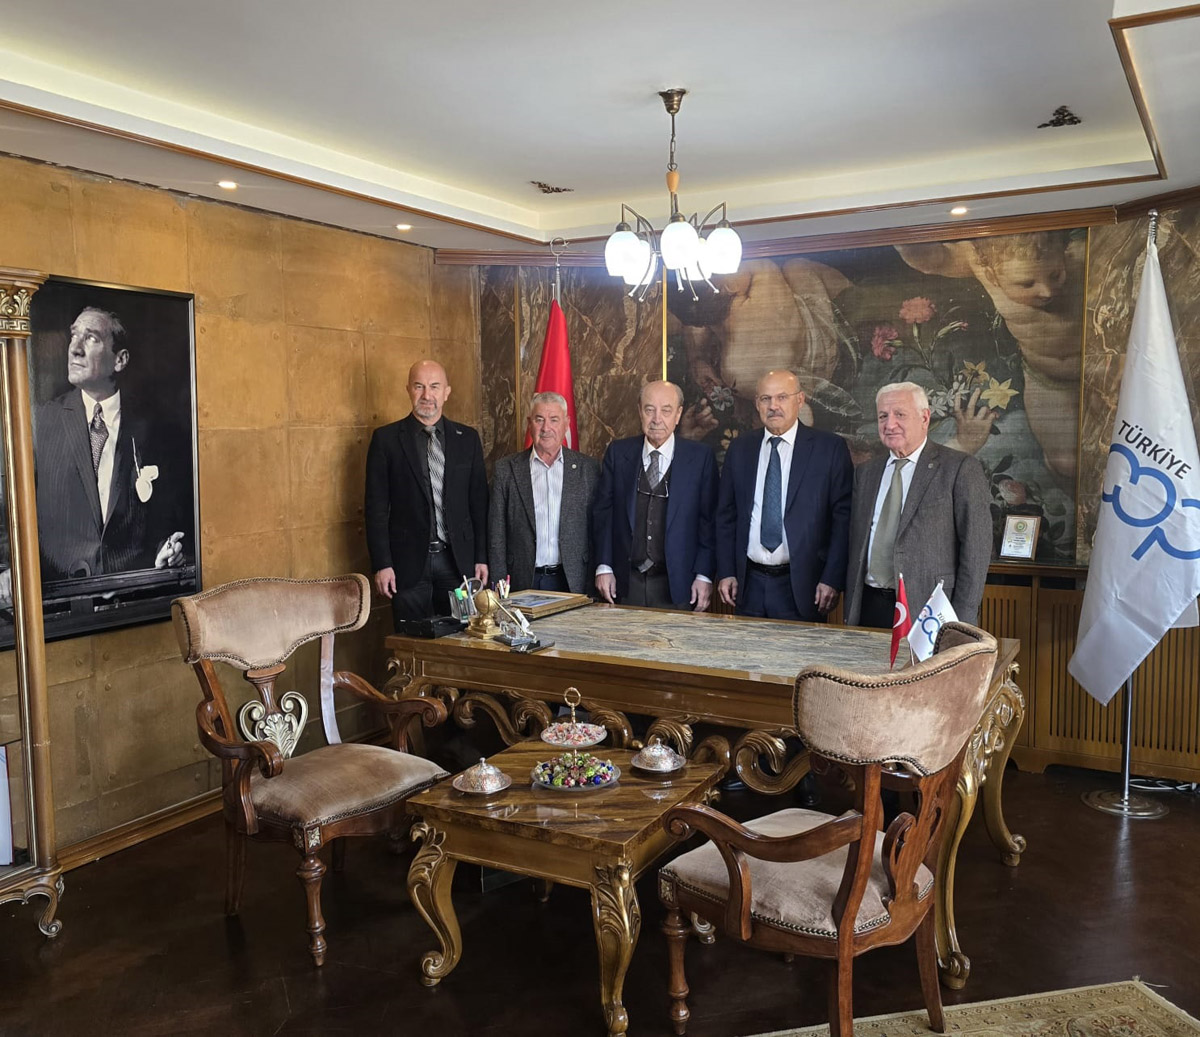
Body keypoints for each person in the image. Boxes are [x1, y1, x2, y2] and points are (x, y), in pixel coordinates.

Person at [895, 233, 1083, 482]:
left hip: (1102, 371)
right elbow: (930, 259)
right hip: (1048, 380)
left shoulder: (1080, 253)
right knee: (1066, 464)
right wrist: (902, 236)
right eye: (1027, 283)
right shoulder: (982, 260)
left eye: (1055, 275)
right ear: (992, 274)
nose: (1047, 291)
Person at [31, 307, 187, 587]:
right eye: (74, 335)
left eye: (91, 338)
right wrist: (10, 568)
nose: (75, 349)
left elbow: (165, 518)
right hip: (60, 600)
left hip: (132, 596)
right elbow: (12, 509)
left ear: (120, 360)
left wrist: (165, 550)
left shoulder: (154, 428)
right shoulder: (41, 422)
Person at [844, 381, 993, 629]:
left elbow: (976, 551)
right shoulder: (866, 473)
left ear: (925, 418)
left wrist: (961, 624)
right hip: (868, 606)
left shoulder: (959, 469)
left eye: (900, 414)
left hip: (929, 612)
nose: (890, 424)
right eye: (883, 416)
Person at [716, 369, 853, 621]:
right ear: (757, 403)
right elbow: (726, 515)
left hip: (804, 585)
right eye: (766, 399)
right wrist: (726, 571)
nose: (773, 406)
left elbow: (842, 520)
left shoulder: (829, 449)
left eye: (782, 397)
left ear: (800, 400)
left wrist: (832, 578)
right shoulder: (741, 448)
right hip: (749, 584)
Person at [364, 359, 488, 624]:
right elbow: (376, 509)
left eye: (434, 386)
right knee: (411, 639)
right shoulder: (386, 440)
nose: (427, 395)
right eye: (419, 386)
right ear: (408, 390)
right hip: (407, 566)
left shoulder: (467, 439)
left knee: (461, 637)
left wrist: (481, 557)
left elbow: (479, 504)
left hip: (458, 563)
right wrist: (382, 564)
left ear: (447, 392)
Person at [592, 380, 718, 610]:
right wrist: (604, 566)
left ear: (678, 414)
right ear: (639, 411)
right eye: (649, 409)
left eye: (666, 410)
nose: (657, 419)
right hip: (624, 582)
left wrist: (704, 574)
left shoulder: (700, 458)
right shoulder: (618, 453)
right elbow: (604, 514)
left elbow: (708, 522)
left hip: (679, 584)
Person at [488, 391, 599, 594]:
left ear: (566, 424)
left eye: (554, 420)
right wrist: (498, 584)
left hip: (572, 581)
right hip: (522, 580)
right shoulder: (506, 469)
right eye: (539, 420)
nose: (546, 428)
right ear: (529, 424)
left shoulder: (588, 469)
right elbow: (497, 533)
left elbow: (596, 531)